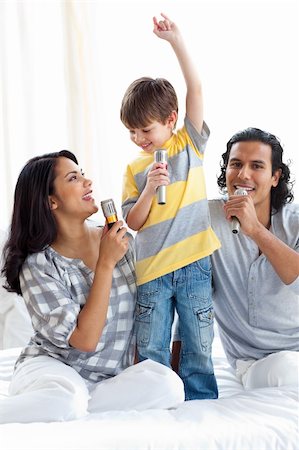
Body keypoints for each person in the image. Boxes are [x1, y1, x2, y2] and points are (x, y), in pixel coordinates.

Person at [0, 150, 184, 424]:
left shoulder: (118, 242)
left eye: (83, 174)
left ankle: (72, 406)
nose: (88, 182)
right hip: (54, 368)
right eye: (74, 178)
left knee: (168, 386)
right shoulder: (39, 265)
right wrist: (105, 264)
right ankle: (63, 403)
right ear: (51, 201)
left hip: (105, 379)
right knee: (65, 398)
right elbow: (85, 340)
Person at [120, 13, 221, 400]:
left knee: (198, 340)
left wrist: (176, 40)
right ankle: (154, 401)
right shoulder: (134, 168)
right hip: (152, 271)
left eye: (145, 130)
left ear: (171, 121)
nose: (138, 138)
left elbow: (195, 87)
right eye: (131, 131)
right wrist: (148, 189)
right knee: (151, 345)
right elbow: (134, 221)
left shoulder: (187, 146)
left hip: (195, 264)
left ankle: (199, 402)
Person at [208, 127, 299, 388]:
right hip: (254, 362)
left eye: (256, 165)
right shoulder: (208, 219)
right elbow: (188, 290)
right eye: (235, 164)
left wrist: (256, 230)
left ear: (275, 177)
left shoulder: (295, 222)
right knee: (288, 371)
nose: (243, 174)